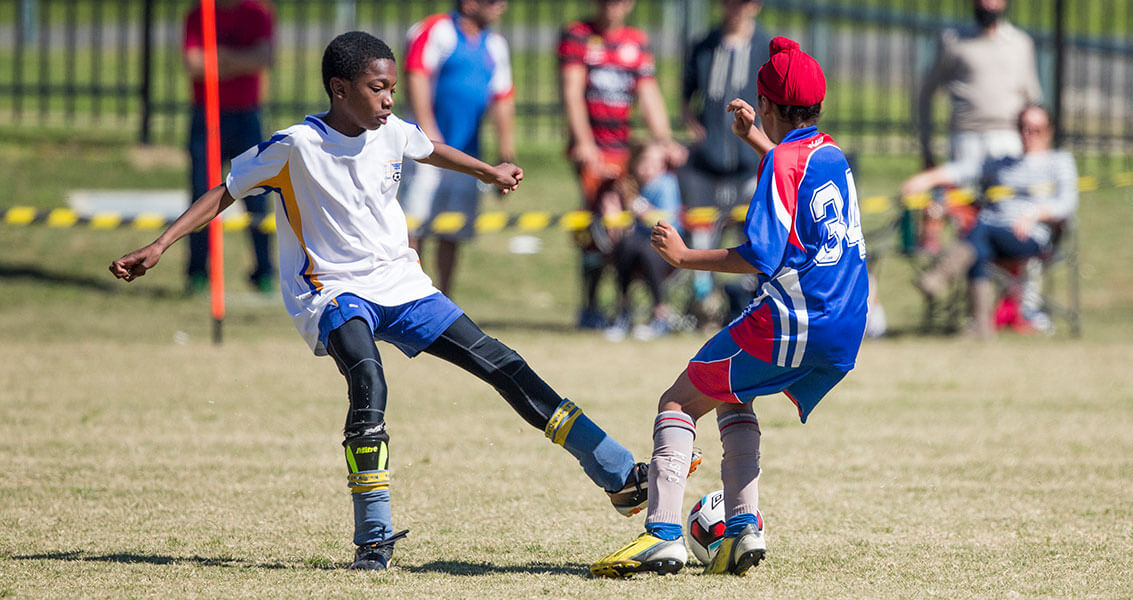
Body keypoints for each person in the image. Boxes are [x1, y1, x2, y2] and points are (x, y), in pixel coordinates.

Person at [110, 31, 700, 572]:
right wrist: (161, 244)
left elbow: (431, 148)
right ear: (340, 90)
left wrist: (488, 171)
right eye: (378, 88)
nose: (390, 99)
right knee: (369, 379)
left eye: (393, 87)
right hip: (335, 292)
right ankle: (374, 539)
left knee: (503, 363)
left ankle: (621, 475)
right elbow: (224, 191)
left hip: (405, 287)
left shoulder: (390, 130)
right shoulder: (295, 147)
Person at [591, 37, 869, 578]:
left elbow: (762, 255)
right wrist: (761, 141)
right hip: (845, 322)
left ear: (765, 102)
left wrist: (685, 256)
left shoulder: (781, 162)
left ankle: (662, 534)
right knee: (731, 393)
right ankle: (743, 532)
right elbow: (794, 168)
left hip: (796, 319)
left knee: (678, 401)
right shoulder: (831, 153)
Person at [558, 0, 687, 330]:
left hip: (623, 151)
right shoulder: (577, 35)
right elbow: (572, 93)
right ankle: (590, 306)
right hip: (593, 153)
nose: (609, 7)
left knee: (629, 228)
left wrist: (664, 141)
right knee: (599, 229)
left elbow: (649, 96)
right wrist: (585, 144)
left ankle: (625, 305)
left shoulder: (636, 41)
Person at [900, 104, 1078, 338]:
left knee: (979, 230)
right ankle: (982, 328)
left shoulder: (1059, 161)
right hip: (991, 233)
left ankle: (939, 277)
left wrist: (1034, 214)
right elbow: (964, 170)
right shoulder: (1005, 163)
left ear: (1048, 131)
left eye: (1036, 129)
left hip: (1030, 236)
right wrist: (927, 179)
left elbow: (1066, 203)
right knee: (979, 248)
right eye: (1024, 128)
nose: (1029, 134)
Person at [401, 0, 515, 297]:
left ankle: (444, 298)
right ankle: (412, 295)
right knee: (416, 225)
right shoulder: (436, 30)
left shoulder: (496, 45)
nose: (501, 6)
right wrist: (427, 133)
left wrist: (506, 152)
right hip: (426, 150)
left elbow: (502, 98)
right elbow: (416, 73)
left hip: (467, 153)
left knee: (452, 228)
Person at [914, 0, 1042, 255]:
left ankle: (1014, 288)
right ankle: (975, 278)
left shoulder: (1020, 43)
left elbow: (1033, 98)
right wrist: (925, 139)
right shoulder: (954, 40)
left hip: (1008, 139)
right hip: (967, 139)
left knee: (1010, 214)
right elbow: (927, 90)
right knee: (967, 216)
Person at [679, 0, 770, 325]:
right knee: (702, 237)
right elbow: (685, 96)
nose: (735, 8)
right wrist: (695, 129)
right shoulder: (704, 45)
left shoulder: (765, 47)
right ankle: (703, 306)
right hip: (709, 163)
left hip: (749, 164)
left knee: (756, 240)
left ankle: (746, 303)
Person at [182, 0, 276, 295]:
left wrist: (219, 59)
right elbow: (194, 65)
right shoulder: (199, 14)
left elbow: (264, 57)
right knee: (201, 193)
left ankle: (264, 270)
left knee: (258, 194)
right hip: (206, 115)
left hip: (247, 116)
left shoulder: (257, 13)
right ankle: (197, 271)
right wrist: (239, 61)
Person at [604, 142, 683, 342]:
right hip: (638, 247)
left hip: (667, 249)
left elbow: (667, 224)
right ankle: (623, 311)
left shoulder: (665, 183)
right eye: (644, 162)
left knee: (647, 249)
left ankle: (660, 314)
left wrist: (642, 210)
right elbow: (622, 231)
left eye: (655, 163)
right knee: (626, 245)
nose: (649, 168)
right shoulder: (632, 186)